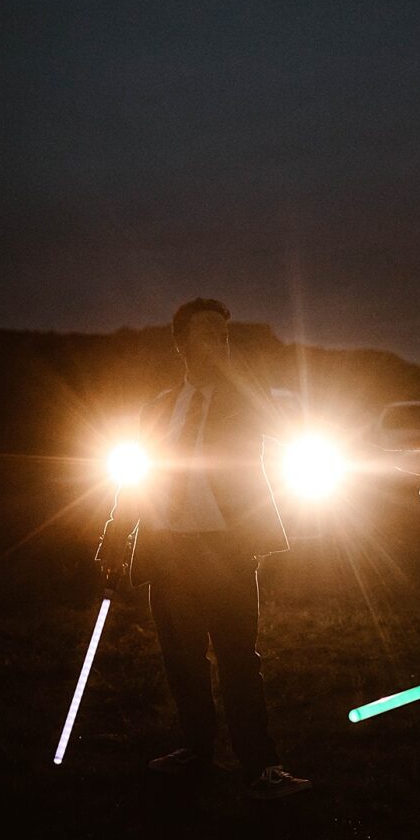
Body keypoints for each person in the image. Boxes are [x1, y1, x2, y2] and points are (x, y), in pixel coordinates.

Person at [96, 296, 310, 801]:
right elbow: (136, 481)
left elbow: (280, 432)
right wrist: (113, 538)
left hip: (227, 550)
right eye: (208, 333)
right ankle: (197, 750)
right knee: (182, 660)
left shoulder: (244, 399)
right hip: (168, 552)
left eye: (224, 334)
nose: (219, 341)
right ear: (181, 343)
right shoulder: (160, 407)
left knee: (239, 660)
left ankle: (261, 766)